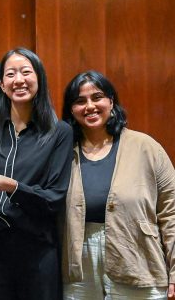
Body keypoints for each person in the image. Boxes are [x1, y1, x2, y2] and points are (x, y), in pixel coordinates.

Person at [0, 48, 74, 300]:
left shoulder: (59, 132)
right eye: (11, 74)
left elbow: (54, 198)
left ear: (39, 78)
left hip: (38, 251)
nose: (19, 80)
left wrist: (13, 186)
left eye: (26, 72)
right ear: (2, 84)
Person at [61, 70, 175, 299]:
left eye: (97, 97)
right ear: (72, 111)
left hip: (138, 257)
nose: (90, 106)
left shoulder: (146, 147)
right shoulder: (62, 153)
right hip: (79, 264)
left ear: (111, 101)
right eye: (80, 101)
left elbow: (171, 211)